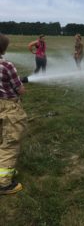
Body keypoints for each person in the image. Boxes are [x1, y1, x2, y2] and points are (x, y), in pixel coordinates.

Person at [0, 34, 27, 195]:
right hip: (9, 107)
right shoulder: (7, 66)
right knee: (10, 143)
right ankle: (3, 183)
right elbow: (20, 90)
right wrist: (21, 85)